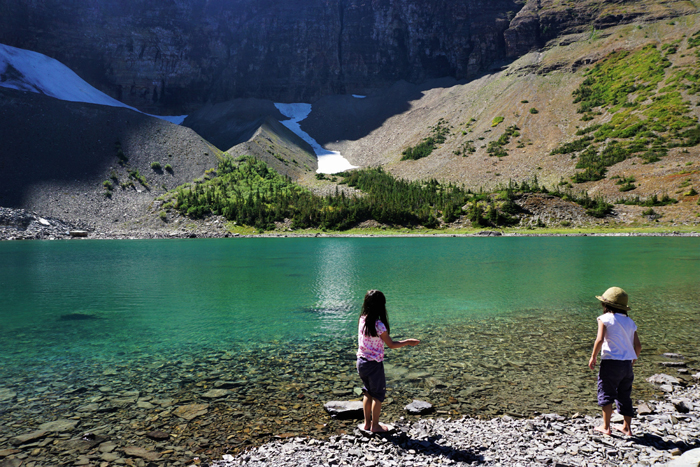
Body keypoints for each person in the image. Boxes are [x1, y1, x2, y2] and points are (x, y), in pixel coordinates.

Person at [356, 290, 420, 433]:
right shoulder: (379, 325)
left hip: (361, 362)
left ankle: (367, 424)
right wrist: (408, 342)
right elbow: (391, 344)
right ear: (381, 306)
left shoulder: (362, 319)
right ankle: (375, 426)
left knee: (367, 392)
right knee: (378, 396)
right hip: (374, 364)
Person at [588, 286, 642, 436]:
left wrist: (593, 356)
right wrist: (633, 359)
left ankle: (606, 427)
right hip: (626, 364)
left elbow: (599, 340)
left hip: (611, 362)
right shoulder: (630, 322)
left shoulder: (604, 319)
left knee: (606, 392)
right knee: (624, 394)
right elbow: (638, 345)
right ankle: (627, 428)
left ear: (605, 305)